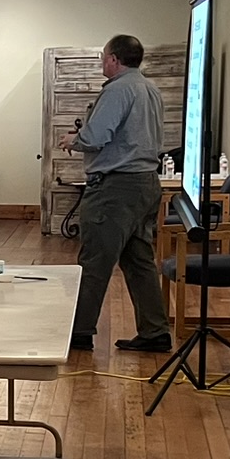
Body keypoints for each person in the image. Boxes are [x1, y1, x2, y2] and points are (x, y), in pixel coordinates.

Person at [62, 32, 171, 354]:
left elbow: (96, 136)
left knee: (94, 260)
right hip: (146, 183)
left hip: (115, 187)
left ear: (113, 59)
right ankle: (155, 331)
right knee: (139, 261)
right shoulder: (150, 89)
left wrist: (74, 139)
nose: (102, 62)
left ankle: (79, 332)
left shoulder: (118, 90)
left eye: (103, 57)